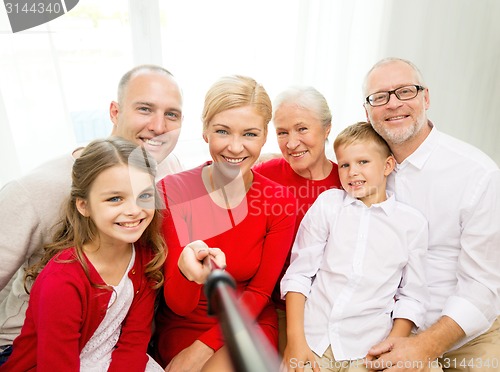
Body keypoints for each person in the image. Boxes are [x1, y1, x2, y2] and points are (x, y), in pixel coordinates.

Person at [0, 64, 184, 365]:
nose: (159, 126)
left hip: (113, 340)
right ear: (114, 112)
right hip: (33, 346)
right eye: (145, 109)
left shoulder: (167, 167)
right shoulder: (32, 191)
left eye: (172, 114)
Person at [152, 75, 297, 371]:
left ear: (264, 135)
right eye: (223, 131)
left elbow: (259, 292)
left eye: (250, 134)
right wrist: (188, 271)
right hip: (185, 323)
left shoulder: (280, 201)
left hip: (249, 320)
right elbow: (179, 304)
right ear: (205, 131)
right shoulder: (172, 191)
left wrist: (202, 349)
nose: (235, 147)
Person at [363, 57, 500, 371]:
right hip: (383, 330)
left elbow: (483, 287)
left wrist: (424, 346)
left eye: (405, 92)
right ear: (367, 112)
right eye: (380, 97)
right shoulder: (361, 169)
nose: (393, 104)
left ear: (426, 98)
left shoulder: (477, 174)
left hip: (464, 333)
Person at [0, 137, 167, 370]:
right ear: (84, 205)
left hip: (110, 361)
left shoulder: (145, 255)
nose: (134, 210)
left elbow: (134, 341)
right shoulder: (61, 281)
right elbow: (56, 366)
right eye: (115, 198)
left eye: (145, 196)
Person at [281, 121, 429, 372]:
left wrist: (394, 342)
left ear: (388, 166)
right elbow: (299, 275)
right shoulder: (329, 205)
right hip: (314, 340)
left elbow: (412, 295)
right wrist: (295, 340)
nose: (352, 172)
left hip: (368, 348)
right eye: (345, 165)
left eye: (363, 162)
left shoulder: (411, 224)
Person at [253, 86, 341, 354]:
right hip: (274, 307)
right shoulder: (263, 175)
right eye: (282, 132)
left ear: (327, 128)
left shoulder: (349, 182)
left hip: (331, 312)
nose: (291, 143)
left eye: (302, 129)